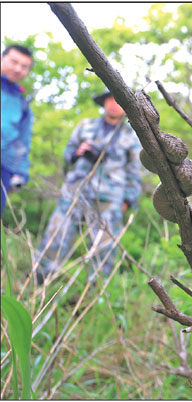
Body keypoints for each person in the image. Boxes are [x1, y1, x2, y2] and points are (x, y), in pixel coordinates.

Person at [34, 90, 143, 284]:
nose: (113, 104)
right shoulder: (85, 126)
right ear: (104, 103)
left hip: (110, 197)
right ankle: (40, 278)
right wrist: (79, 153)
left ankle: (97, 290)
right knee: (57, 232)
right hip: (76, 189)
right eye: (110, 100)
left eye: (118, 101)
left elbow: (135, 171)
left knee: (104, 244)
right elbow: (67, 155)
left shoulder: (132, 137)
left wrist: (128, 199)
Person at [1, 44, 34, 217]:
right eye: (14, 61)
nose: (18, 69)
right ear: (2, 58)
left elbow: (23, 141)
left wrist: (20, 173)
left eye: (24, 66)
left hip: (3, 168)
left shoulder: (23, 105)